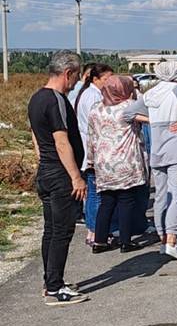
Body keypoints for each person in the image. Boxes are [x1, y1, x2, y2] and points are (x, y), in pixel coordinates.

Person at [28, 51, 87, 305]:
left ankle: (49, 281)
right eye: (75, 77)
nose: (75, 83)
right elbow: (61, 141)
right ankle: (55, 288)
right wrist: (76, 177)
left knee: (50, 229)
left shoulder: (36, 98)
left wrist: (42, 160)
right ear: (68, 73)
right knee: (62, 231)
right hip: (60, 174)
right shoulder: (56, 100)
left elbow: (35, 136)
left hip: (46, 171)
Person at [125, 61, 177, 260]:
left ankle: (162, 238)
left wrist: (153, 120)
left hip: (157, 149)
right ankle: (172, 240)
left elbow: (128, 113)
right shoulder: (176, 89)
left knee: (161, 195)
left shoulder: (151, 93)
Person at [85, 76, 148, 254]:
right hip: (125, 160)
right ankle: (126, 241)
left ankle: (99, 241)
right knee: (126, 201)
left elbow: (91, 136)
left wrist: (90, 160)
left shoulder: (95, 109)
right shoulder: (128, 107)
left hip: (103, 161)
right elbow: (147, 109)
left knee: (107, 202)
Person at [74, 63, 114, 246]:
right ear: (96, 79)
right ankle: (95, 230)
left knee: (93, 193)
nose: (109, 83)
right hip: (95, 149)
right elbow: (97, 125)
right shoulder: (93, 97)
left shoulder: (90, 94)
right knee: (97, 194)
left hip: (91, 147)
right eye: (106, 79)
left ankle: (93, 230)